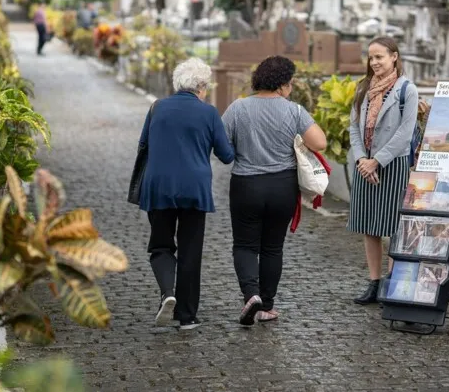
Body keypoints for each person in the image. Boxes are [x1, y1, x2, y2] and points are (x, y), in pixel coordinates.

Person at [222, 56, 327, 326]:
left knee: (245, 245)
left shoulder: (238, 108)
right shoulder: (294, 111)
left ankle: (250, 295)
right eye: (290, 83)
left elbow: (222, 146)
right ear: (281, 84)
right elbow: (320, 142)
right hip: (282, 186)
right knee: (272, 248)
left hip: (246, 185)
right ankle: (266, 305)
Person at [137, 58, 235, 330]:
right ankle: (187, 315)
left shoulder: (157, 108)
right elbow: (226, 156)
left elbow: (143, 144)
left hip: (159, 186)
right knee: (191, 251)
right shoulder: (209, 113)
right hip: (195, 187)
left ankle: (168, 292)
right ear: (202, 86)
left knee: (161, 245)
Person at [348, 36, 418, 305]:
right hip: (364, 164)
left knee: (393, 225)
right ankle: (374, 282)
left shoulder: (406, 90)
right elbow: (354, 127)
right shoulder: (363, 88)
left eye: (380, 57)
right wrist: (361, 161)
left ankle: (391, 283)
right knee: (369, 226)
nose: (374, 62)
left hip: (393, 164)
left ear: (394, 57)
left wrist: (377, 160)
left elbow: (405, 132)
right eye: (371, 57)